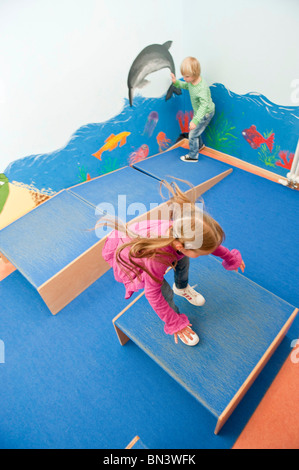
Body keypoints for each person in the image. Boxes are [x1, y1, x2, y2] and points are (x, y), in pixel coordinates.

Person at [101, 180, 245, 346]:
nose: (204, 254)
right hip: (138, 254)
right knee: (163, 292)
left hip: (167, 243)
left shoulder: (187, 234)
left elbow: (209, 245)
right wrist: (174, 323)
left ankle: (182, 287)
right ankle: (177, 320)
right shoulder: (156, 258)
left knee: (183, 261)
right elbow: (152, 294)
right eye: (200, 253)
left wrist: (230, 257)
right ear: (180, 246)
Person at [171, 57, 215, 162]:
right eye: (183, 76)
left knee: (192, 133)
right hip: (200, 112)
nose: (185, 78)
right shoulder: (192, 82)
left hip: (206, 113)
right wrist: (176, 82)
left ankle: (193, 156)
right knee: (195, 131)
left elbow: (204, 106)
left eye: (187, 76)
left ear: (195, 74)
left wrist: (195, 120)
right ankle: (199, 145)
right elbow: (187, 85)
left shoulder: (201, 88)